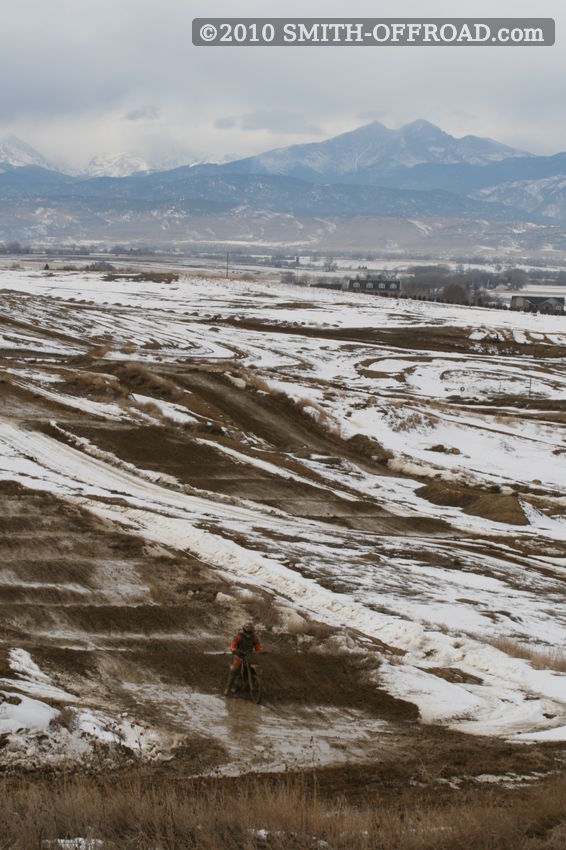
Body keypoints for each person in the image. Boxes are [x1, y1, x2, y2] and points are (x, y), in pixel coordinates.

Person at [224, 622, 262, 695]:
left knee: (256, 668)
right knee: (234, 670)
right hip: (239, 655)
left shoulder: (254, 637)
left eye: (249, 631)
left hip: (249, 656)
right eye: (247, 631)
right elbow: (233, 643)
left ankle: (253, 684)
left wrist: (259, 651)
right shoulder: (239, 636)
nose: (248, 633)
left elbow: (258, 645)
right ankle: (227, 688)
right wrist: (233, 649)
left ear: (252, 631)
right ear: (244, 630)